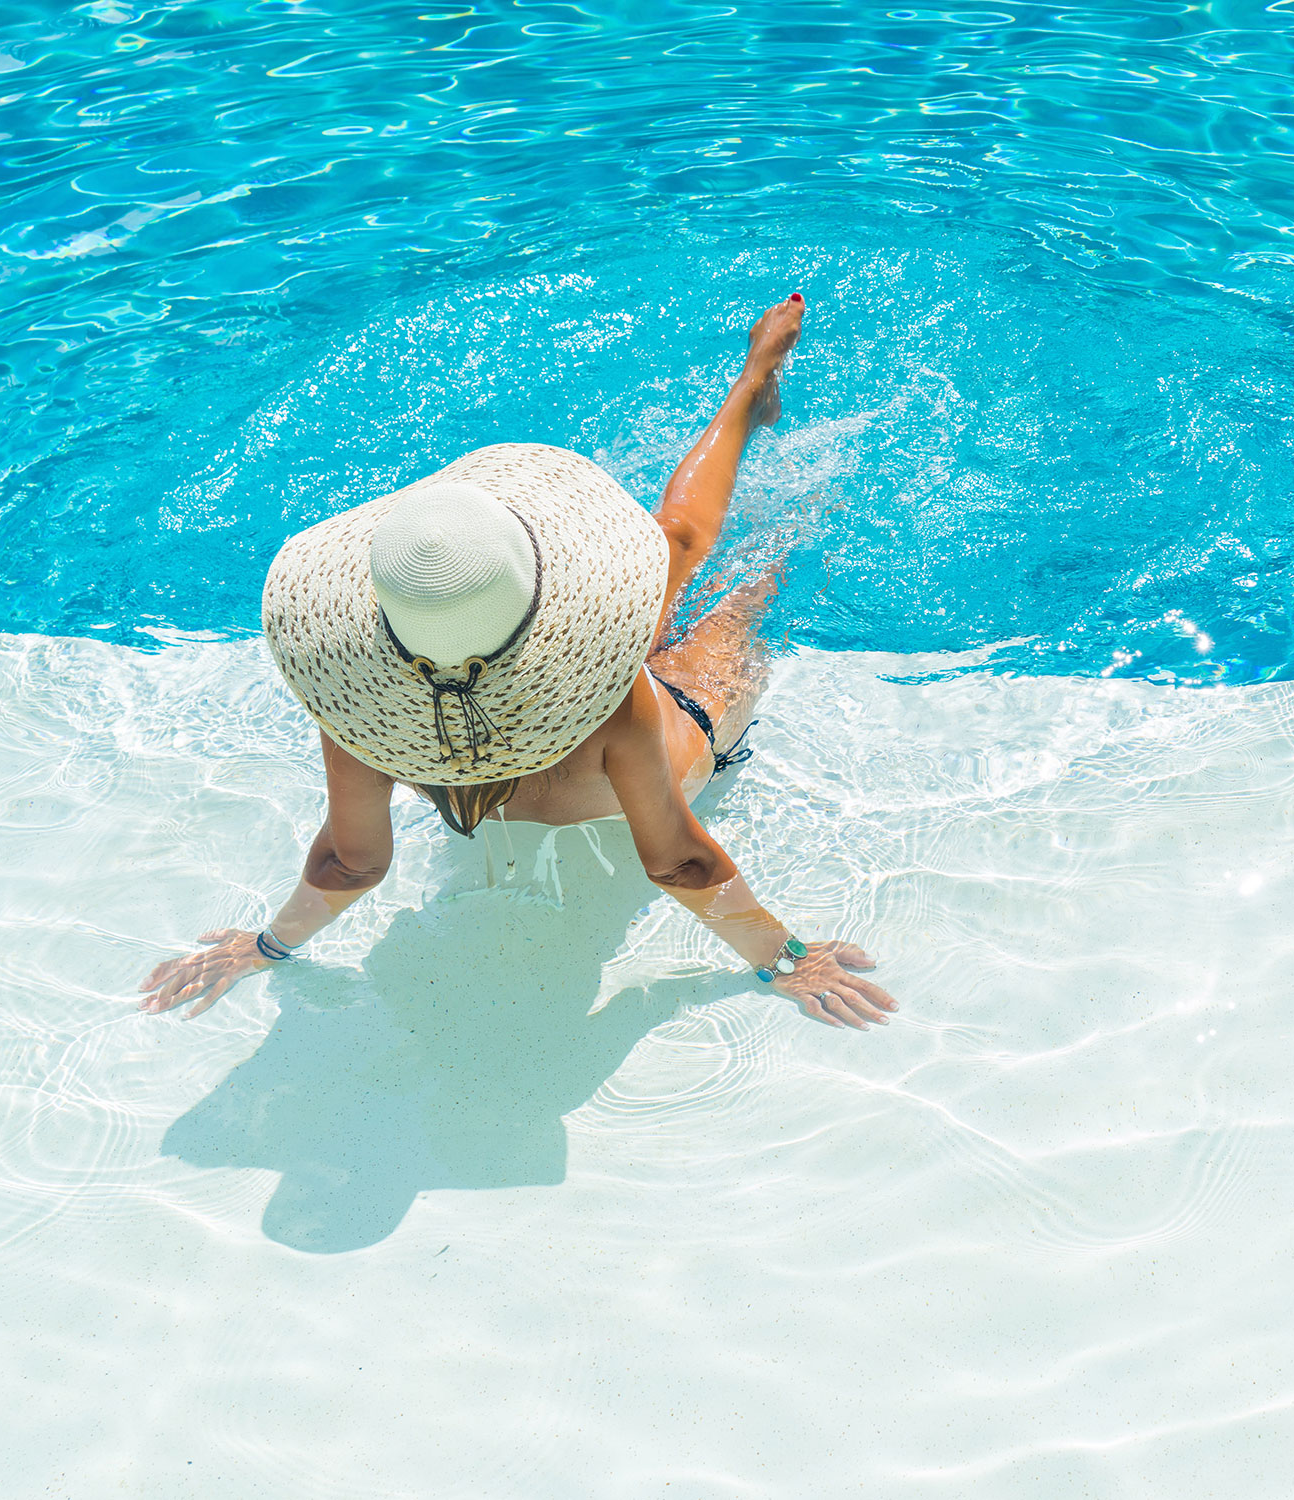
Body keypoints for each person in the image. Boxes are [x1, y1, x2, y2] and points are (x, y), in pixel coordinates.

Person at [139, 294, 896, 1031]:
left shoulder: (360, 711)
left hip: (561, 727)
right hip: (688, 721)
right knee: (740, 575)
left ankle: (749, 390)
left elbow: (350, 862)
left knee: (697, 558)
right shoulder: (613, 702)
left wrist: (264, 948)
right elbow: (677, 862)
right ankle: (751, 388)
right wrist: (784, 958)